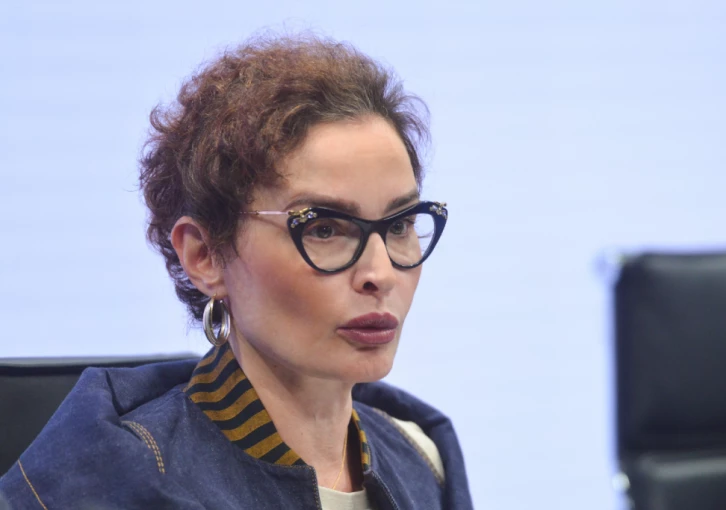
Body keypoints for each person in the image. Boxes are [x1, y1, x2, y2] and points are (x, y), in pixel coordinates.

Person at [0, 33, 472, 509]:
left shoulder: (422, 459)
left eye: (400, 224)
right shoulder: (114, 483)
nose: (381, 274)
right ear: (204, 256)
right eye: (325, 229)